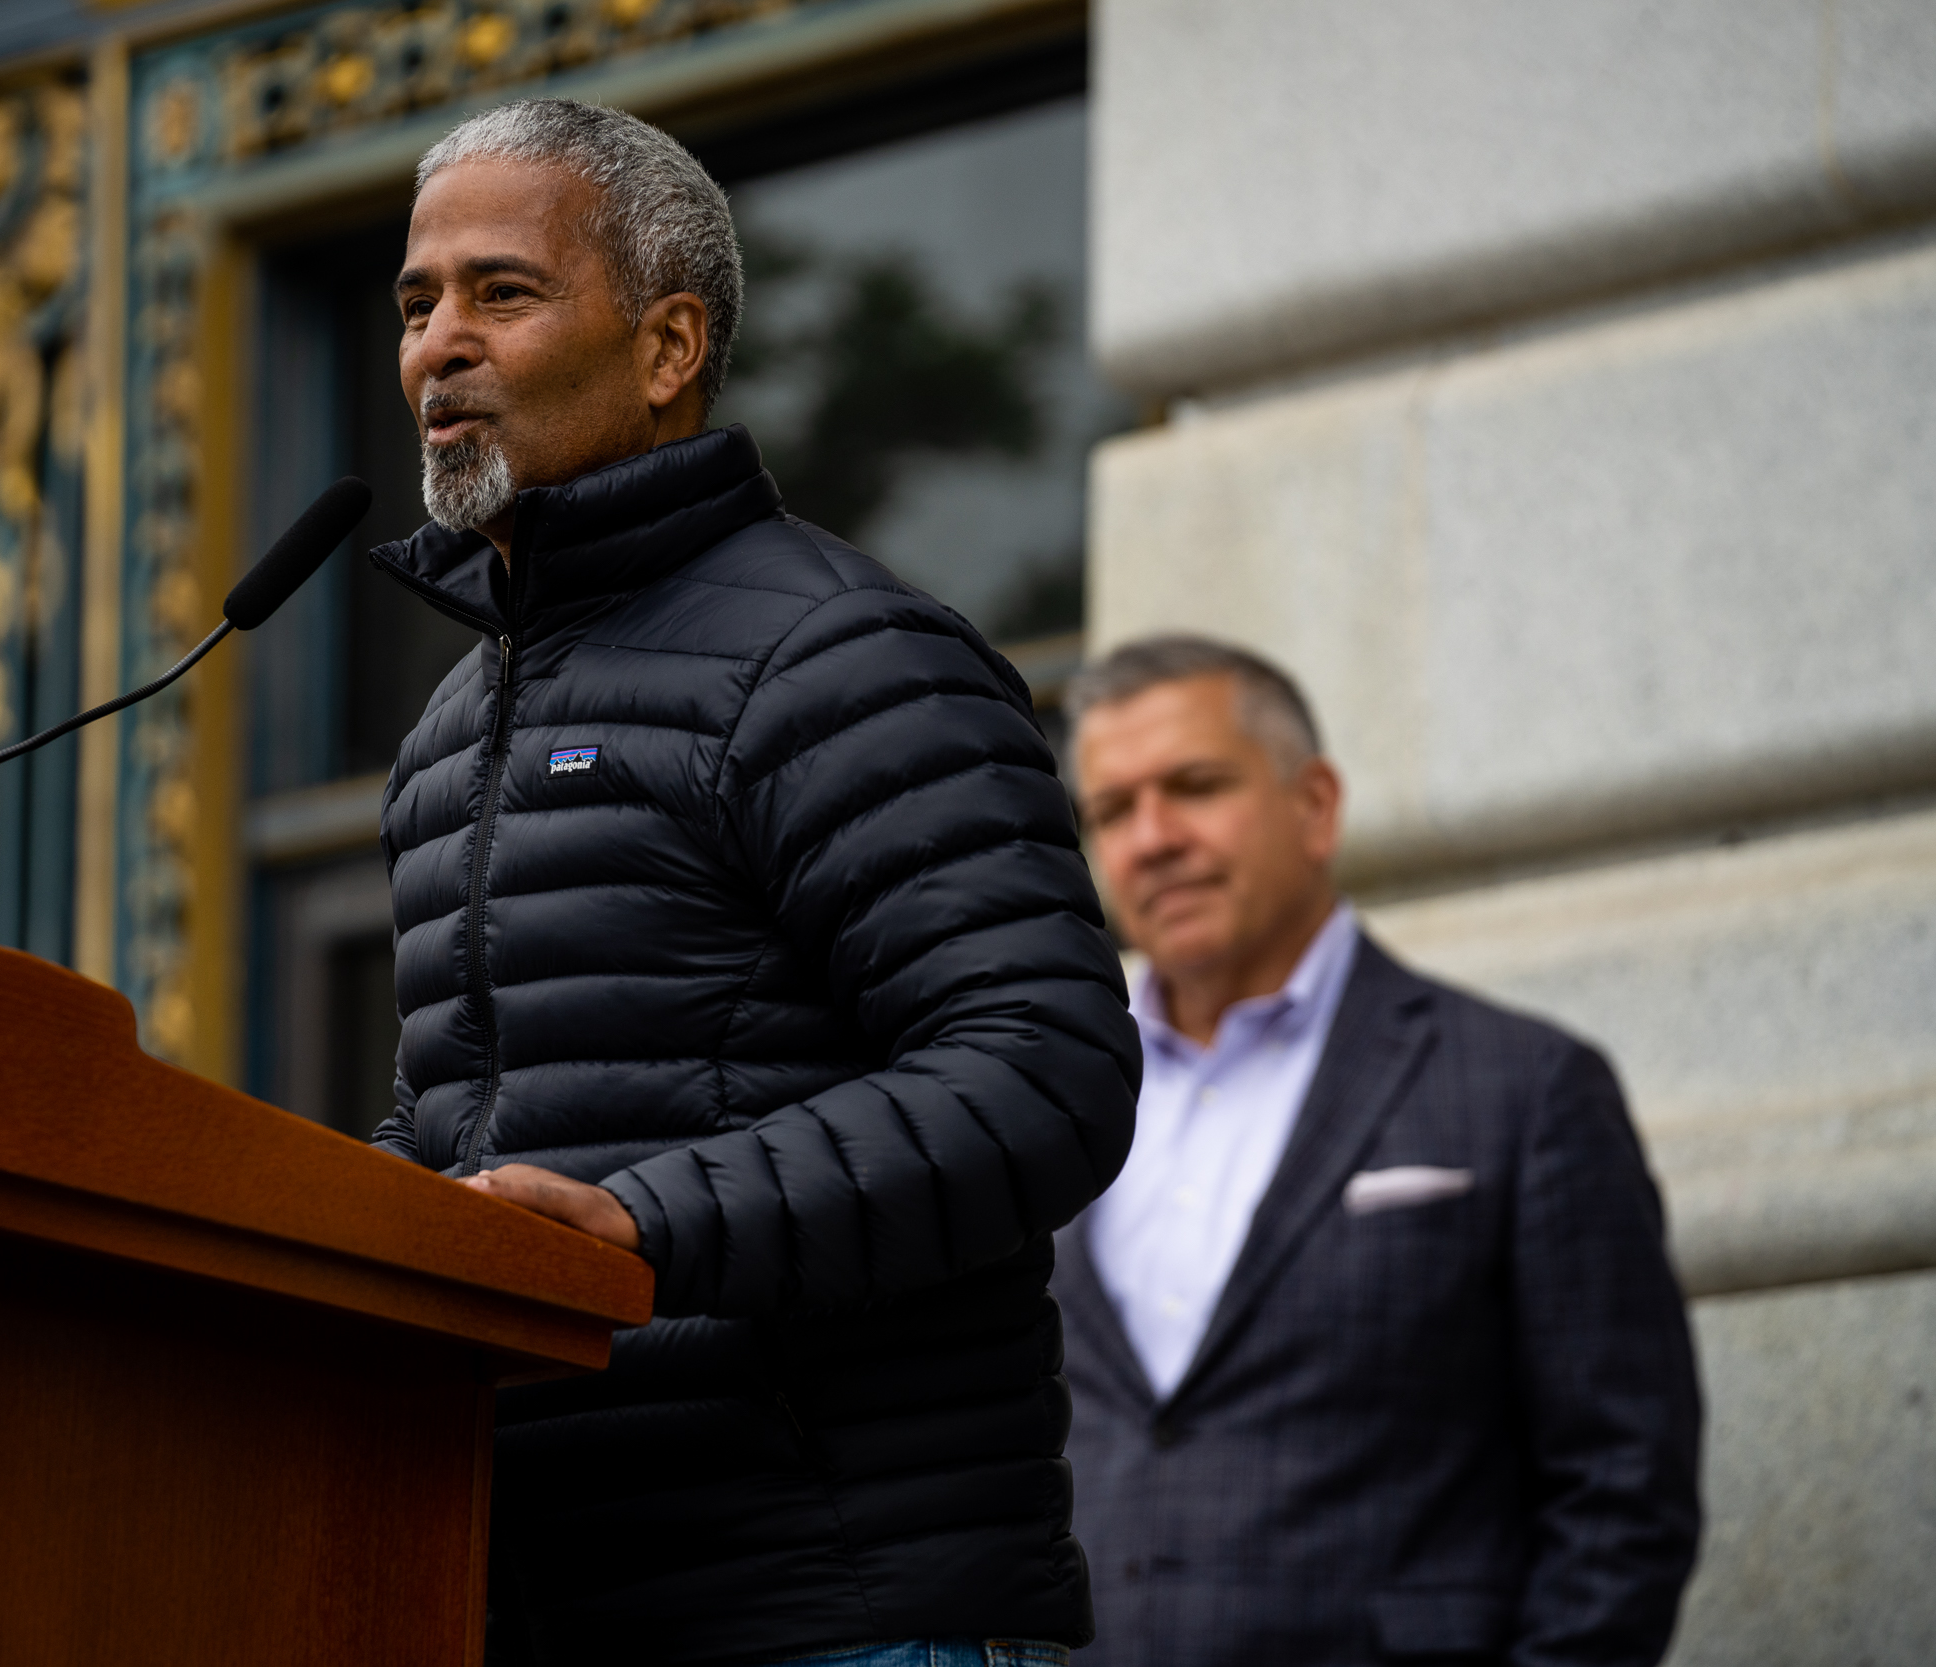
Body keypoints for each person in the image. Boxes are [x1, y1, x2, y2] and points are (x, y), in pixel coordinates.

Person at [362, 99, 1142, 1667]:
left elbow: (1044, 1069)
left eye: (502, 291)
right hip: (533, 1604)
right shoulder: (447, 736)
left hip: (840, 1611)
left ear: (668, 346)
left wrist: (640, 1227)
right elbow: (466, 1127)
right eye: (416, 301)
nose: (440, 342)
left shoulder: (839, 654)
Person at [1051, 635, 1702, 1666]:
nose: (1152, 837)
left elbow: (1622, 1486)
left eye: (1195, 785)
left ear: (1314, 804)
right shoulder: (1048, 1098)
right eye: (1112, 810)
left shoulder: (1523, 1088)